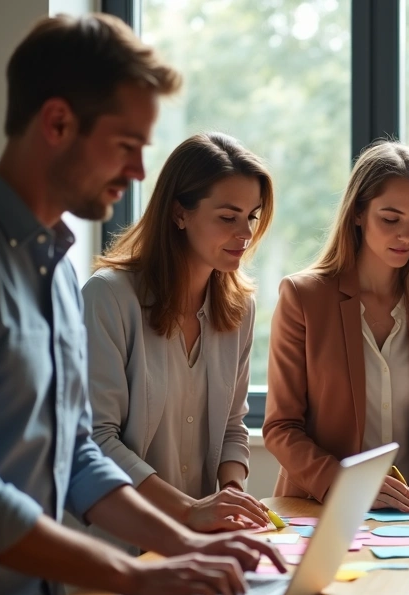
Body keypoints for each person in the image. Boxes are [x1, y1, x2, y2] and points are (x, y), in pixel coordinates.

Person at [0, 15, 284, 595]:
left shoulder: (53, 265)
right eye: (125, 144)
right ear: (57, 123)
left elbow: (77, 451)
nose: (140, 172)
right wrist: (133, 575)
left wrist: (186, 543)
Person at [84, 132, 275, 540]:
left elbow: (232, 428)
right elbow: (96, 438)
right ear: (179, 213)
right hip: (124, 543)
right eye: (228, 217)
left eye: (252, 216)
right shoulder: (109, 297)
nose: (245, 233)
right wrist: (188, 511)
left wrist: (231, 498)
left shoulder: (240, 309)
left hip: (207, 543)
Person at [263, 141, 409, 512]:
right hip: (322, 508)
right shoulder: (303, 297)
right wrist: (349, 486)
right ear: (358, 213)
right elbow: (281, 427)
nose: (406, 235)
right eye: (390, 219)